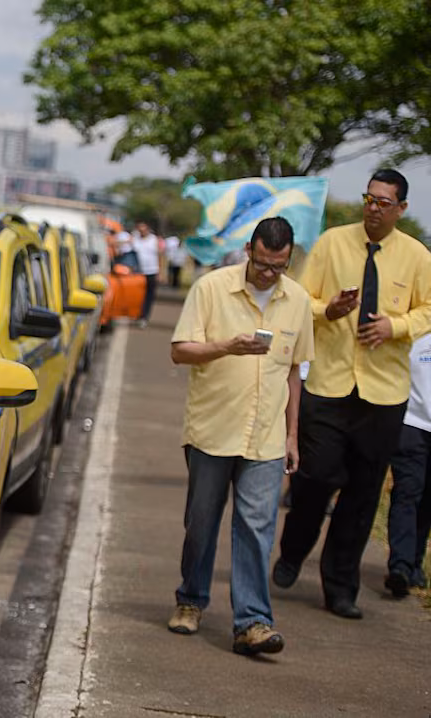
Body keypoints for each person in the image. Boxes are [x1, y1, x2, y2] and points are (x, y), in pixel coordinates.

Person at [274, 169, 431, 619]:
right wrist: (328, 309)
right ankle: (293, 550)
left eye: (384, 202)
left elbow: (428, 309)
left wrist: (395, 326)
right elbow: (300, 297)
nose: (374, 208)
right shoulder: (333, 243)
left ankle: (340, 587)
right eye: (369, 199)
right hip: (329, 384)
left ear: (401, 208)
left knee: (362, 494)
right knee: (315, 479)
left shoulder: (417, 256)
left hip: (383, 394)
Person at [168, 217, 314, 656]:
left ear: (289, 260)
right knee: (201, 524)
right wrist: (226, 347)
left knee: (257, 528)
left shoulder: (298, 300)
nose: (269, 274)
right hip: (213, 430)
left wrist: (292, 435)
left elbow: (294, 372)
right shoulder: (211, 288)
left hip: (267, 437)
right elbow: (180, 351)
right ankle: (191, 600)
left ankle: (252, 622)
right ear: (249, 250)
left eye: (279, 267)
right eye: (263, 264)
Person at [384, 331, 431, 597]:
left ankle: (414, 561)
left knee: (427, 499)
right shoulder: (416, 331)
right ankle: (400, 566)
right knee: (407, 491)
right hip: (411, 423)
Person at [131, 220, 162, 327]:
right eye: (140, 228)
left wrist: (160, 272)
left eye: (143, 228)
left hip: (152, 271)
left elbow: (159, 255)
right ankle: (137, 314)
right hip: (138, 272)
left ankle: (144, 317)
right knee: (138, 295)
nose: (142, 230)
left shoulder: (154, 240)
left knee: (149, 295)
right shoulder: (135, 239)